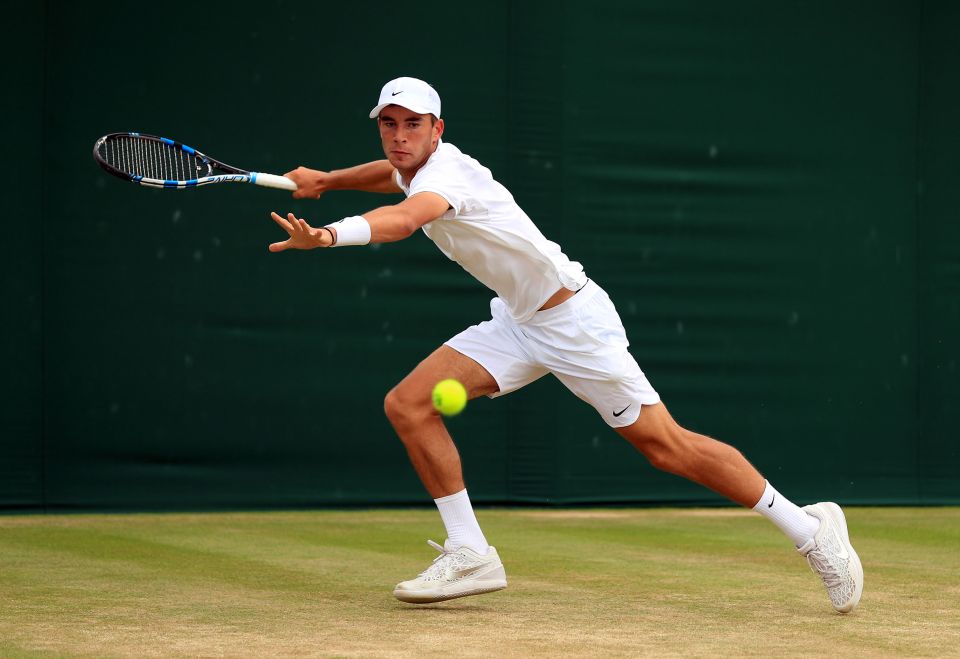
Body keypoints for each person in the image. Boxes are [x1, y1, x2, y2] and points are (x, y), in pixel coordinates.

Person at [268, 76, 863, 612]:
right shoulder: (415, 164)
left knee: (666, 447)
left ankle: (811, 531)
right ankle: (471, 551)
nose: (399, 137)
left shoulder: (449, 175)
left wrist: (326, 235)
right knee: (408, 404)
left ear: (438, 130)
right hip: (519, 321)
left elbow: (401, 219)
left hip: (573, 324)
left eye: (413, 124)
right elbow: (391, 174)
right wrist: (327, 180)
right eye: (388, 124)